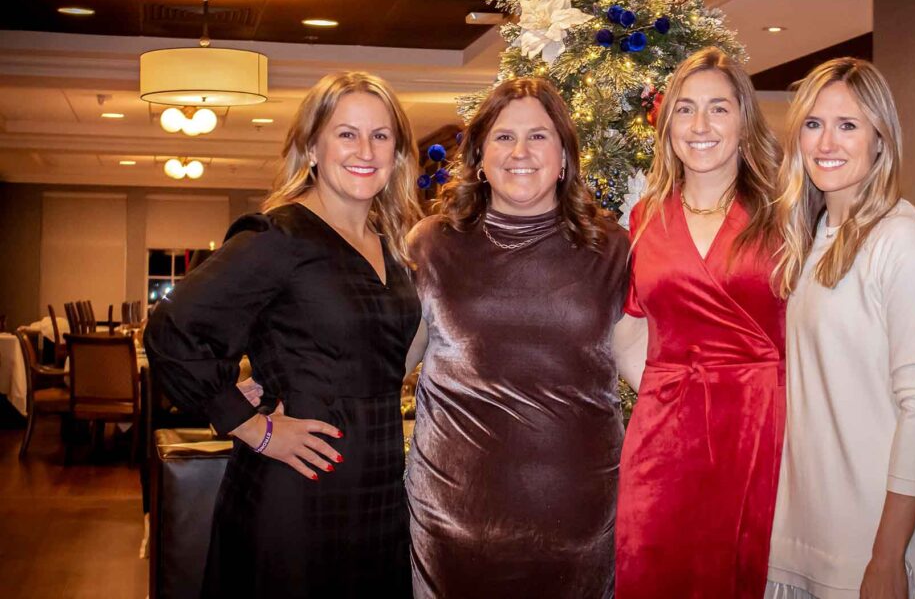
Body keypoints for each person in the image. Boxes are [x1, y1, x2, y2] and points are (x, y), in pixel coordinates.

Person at [145, 72, 423, 598]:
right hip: (297, 489)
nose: (365, 149)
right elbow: (171, 329)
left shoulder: (388, 245)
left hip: (381, 486)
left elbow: (382, 355)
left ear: (398, 153)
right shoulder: (279, 235)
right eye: (346, 133)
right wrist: (249, 425)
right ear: (312, 146)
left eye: (381, 135)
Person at [404, 77, 630, 598]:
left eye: (539, 136)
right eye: (504, 138)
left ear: (566, 156)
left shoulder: (613, 249)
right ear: (479, 157)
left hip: (580, 522)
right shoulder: (433, 245)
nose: (521, 152)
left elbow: (654, 368)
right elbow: (387, 361)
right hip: (452, 521)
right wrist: (284, 390)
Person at [765, 58, 915, 599]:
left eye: (848, 125)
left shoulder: (904, 242)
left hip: (874, 547)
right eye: (813, 123)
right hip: (805, 535)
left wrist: (887, 556)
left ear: (880, 139)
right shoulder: (809, 235)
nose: (827, 141)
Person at [615, 46, 786, 598]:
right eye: (685, 109)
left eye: (718, 107)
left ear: (743, 118)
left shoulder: (785, 211)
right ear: (667, 126)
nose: (700, 125)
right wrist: (663, 389)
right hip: (664, 439)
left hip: (762, 430)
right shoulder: (644, 217)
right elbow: (629, 324)